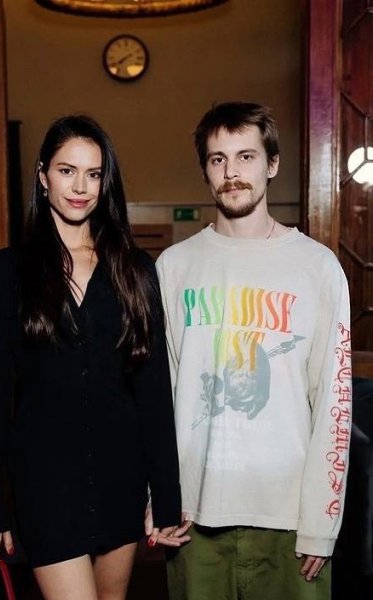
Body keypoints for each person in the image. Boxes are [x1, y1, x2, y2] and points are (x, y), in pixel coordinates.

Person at [0, 115, 187, 600]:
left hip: (121, 479)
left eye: (93, 174)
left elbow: (153, 393)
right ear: (42, 175)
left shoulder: (136, 271)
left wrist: (165, 497)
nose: (80, 187)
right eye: (67, 171)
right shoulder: (6, 273)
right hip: (45, 485)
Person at [156, 102, 352, 600]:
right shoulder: (173, 268)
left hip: (290, 520)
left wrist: (322, 521)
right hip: (192, 515)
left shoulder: (317, 267)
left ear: (272, 164)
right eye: (218, 159)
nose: (232, 172)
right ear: (205, 170)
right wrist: (157, 497)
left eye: (246, 156)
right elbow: (158, 396)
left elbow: (334, 402)